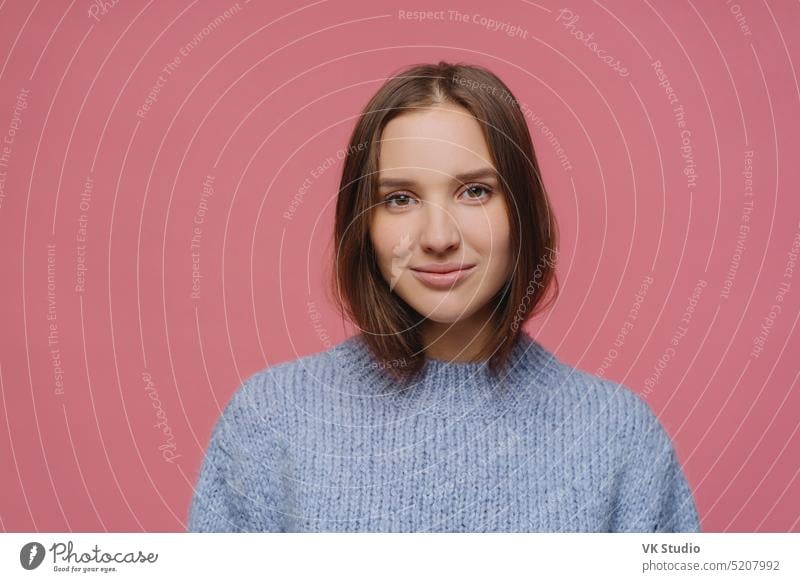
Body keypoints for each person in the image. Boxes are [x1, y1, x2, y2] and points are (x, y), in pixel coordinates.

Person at [187, 61, 701, 533]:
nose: (438, 236)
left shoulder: (618, 436)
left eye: (474, 191)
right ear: (363, 223)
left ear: (521, 209)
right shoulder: (270, 420)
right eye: (400, 199)